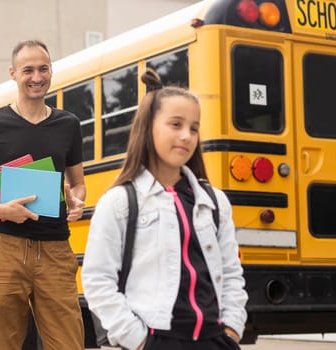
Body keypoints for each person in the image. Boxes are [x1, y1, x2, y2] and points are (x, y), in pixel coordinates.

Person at [81, 68, 248, 350]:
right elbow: (97, 281)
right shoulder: (120, 202)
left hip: (213, 339)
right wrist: (139, 340)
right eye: (175, 124)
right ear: (148, 128)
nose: (186, 135)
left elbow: (232, 272)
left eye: (194, 128)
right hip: (156, 340)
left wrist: (231, 329)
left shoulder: (214, 201)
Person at [0, 39, 86, 350]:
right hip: (3, 249)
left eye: (43, 69)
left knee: (69, 344)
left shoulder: (68, 124)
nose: (36, 77)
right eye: (28, 70)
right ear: (13, 74)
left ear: (51, 71)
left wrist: (78, 199)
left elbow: (77, 183)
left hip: (55, 250)